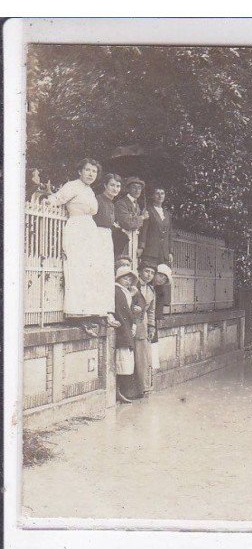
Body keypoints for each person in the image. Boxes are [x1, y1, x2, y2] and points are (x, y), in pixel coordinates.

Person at [46, 158, 116, 336]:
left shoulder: (90, 191)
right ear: (80, 171)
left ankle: (92, 311)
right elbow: (57, 198)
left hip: (89, 231)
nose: (91, 174)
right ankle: (78, 313)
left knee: (91, 273)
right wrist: (47, 201)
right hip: (76, 230)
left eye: (94, 171)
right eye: (87, 170)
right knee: (78, 271)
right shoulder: (73, 186)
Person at [130, 263, 156, 397]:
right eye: (146, 271)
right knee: (131, 357)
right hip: (131, 322)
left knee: (142, 356)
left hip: (143, 324)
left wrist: (151, 326)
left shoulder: (151, 290)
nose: (149, 275)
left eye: (152, 273)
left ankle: (142, 388)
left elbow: (151, 311)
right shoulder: (133, 285)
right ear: (140, 271)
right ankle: (131, 390)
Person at [114, 266, 139, 403]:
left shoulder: (125, 292)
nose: (128, 280)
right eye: (125, 277)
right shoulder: (117, 291)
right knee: (121, 362)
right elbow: (120, 312)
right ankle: (118, 391)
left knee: (125, 363)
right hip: (122, 330)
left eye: (130, 278)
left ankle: (120, 391)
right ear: (118, 278)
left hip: (126, 328)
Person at [113, 177, 148, 258]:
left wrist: (140, 246)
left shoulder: (137, 205)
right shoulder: (121, 203)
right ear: (128, 189)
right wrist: (142, 217)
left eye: (139, 188)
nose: (137, 190)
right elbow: (127, 223)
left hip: (134, 241)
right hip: (122, 241)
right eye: (134, 187)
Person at [139, 185, 173, 268]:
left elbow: (169, 234)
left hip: (164, 254)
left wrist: (170, 252)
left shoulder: (167, 214)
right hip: (151, 252)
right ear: (152, 195)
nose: (160, 196)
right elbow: (144, 230)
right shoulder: (148, 210)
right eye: (157, 193)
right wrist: (141, 247)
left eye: (162, 193)